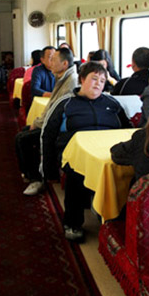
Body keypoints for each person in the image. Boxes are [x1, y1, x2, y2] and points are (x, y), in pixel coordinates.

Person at [41, 62, 124, 242]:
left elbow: (128, 130)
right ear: (82, 79)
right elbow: (47, 134)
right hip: (75, 153)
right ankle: (72, 222)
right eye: (94, 79)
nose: (98, 84)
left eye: (102, 81)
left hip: (108, 152)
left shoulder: (112, 103)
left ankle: (115, 219)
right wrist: (48, 168)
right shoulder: (65, 103)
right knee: (76, 174)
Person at [15, 47, 78, 196]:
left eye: (53, 60)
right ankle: (30, 172)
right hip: (52, 121)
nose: (50, 62)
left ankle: (37, 179)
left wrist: (36, 124)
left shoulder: (70, 82)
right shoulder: (61, 77)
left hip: (59, 127)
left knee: (23, 139)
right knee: (21, 135)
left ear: (64, 64)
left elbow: (55, 112)